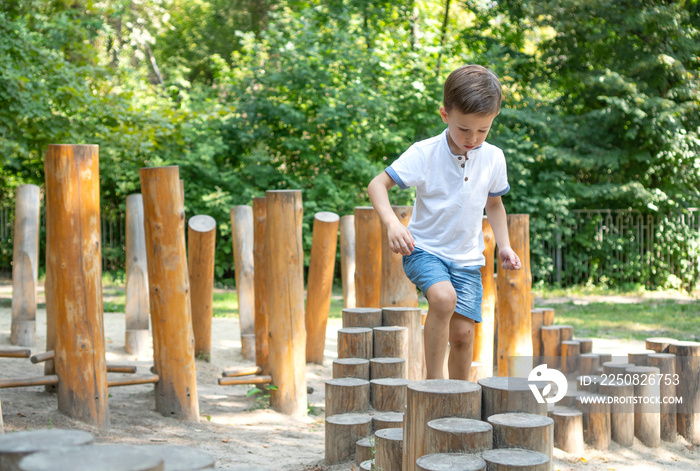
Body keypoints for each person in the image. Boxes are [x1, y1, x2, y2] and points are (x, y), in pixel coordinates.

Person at [367, 64, 521, 380]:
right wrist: (394, 224)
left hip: (467, 260)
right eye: (464, 129)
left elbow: (494, 204)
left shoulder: (493, 158)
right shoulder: (424, 153)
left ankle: (459, 396)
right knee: (442, 298)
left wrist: (504, 245)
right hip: (424, 249)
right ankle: (434, 384)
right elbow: (376, 185)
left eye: (483, 130)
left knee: (463, 335)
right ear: (444, 115)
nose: (473, 138)